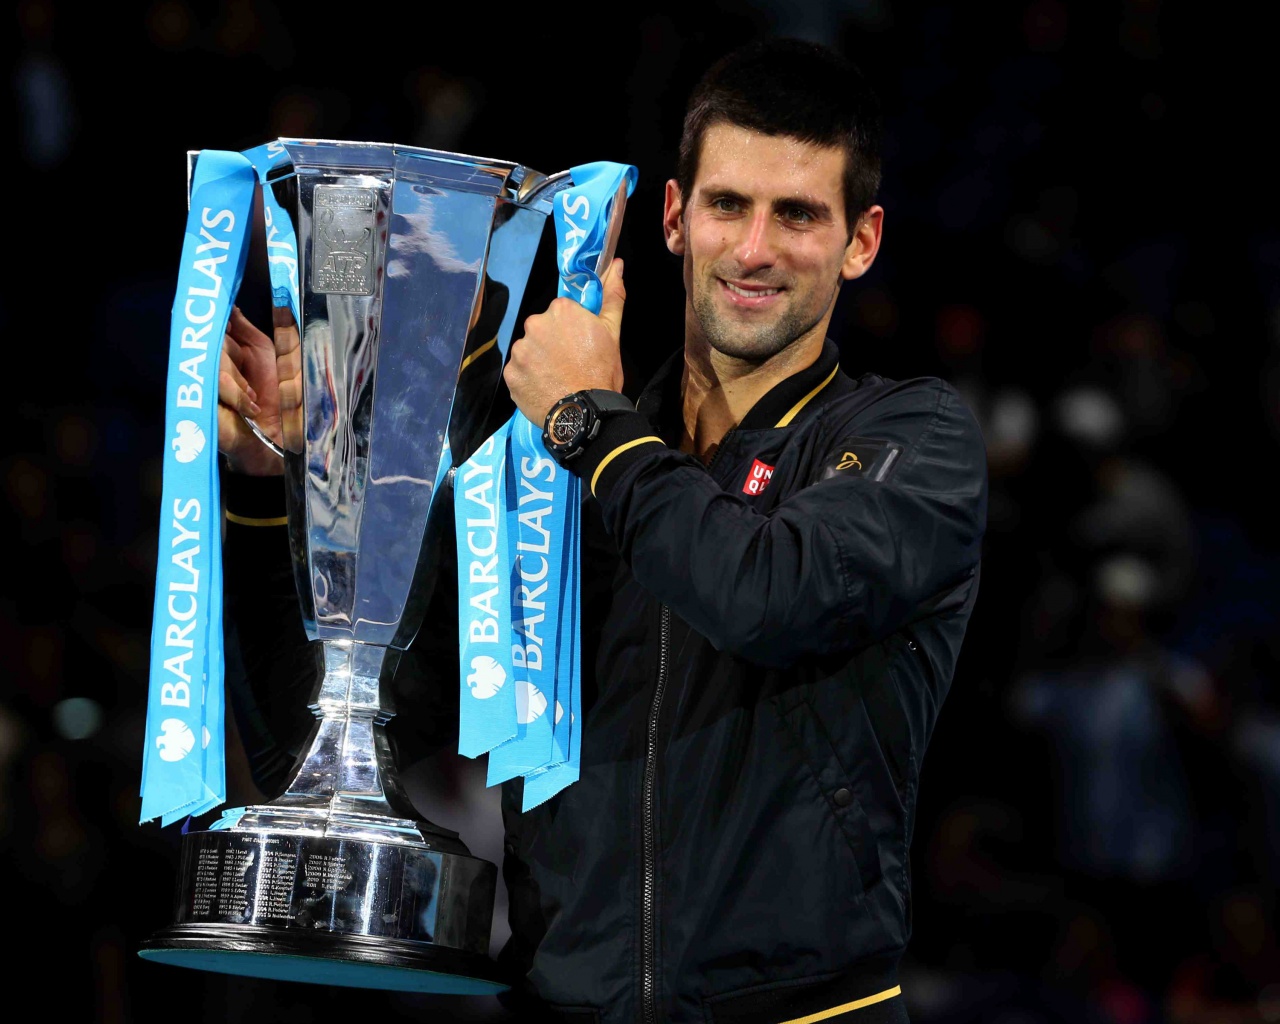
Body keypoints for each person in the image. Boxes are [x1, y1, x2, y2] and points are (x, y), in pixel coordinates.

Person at [217, 38, 987, 1024]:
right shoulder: (549, 476)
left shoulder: (906, 438)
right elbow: (329, 749)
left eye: (796, 214)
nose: (754, 249)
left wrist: (590, 421)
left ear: (860, 241)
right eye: (727, 205)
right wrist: (271, 488)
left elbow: (764, 594)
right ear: (674, 216)